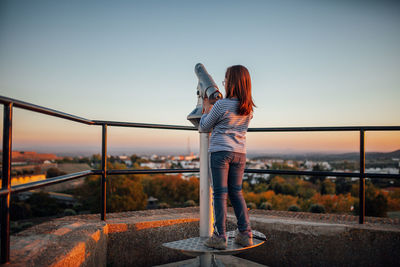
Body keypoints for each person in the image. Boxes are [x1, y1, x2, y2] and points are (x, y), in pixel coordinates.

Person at [199, 65, 255, 249]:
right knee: (236, 192)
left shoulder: (221, 105)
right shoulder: (247, 108)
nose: (224, 82)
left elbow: (205, 126)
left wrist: (206, 107)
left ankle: (219, 236)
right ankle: (245, 233)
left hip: (220, 153)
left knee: (220, 194)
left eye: (226, 79)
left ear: (231, 82)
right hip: (240, 154)